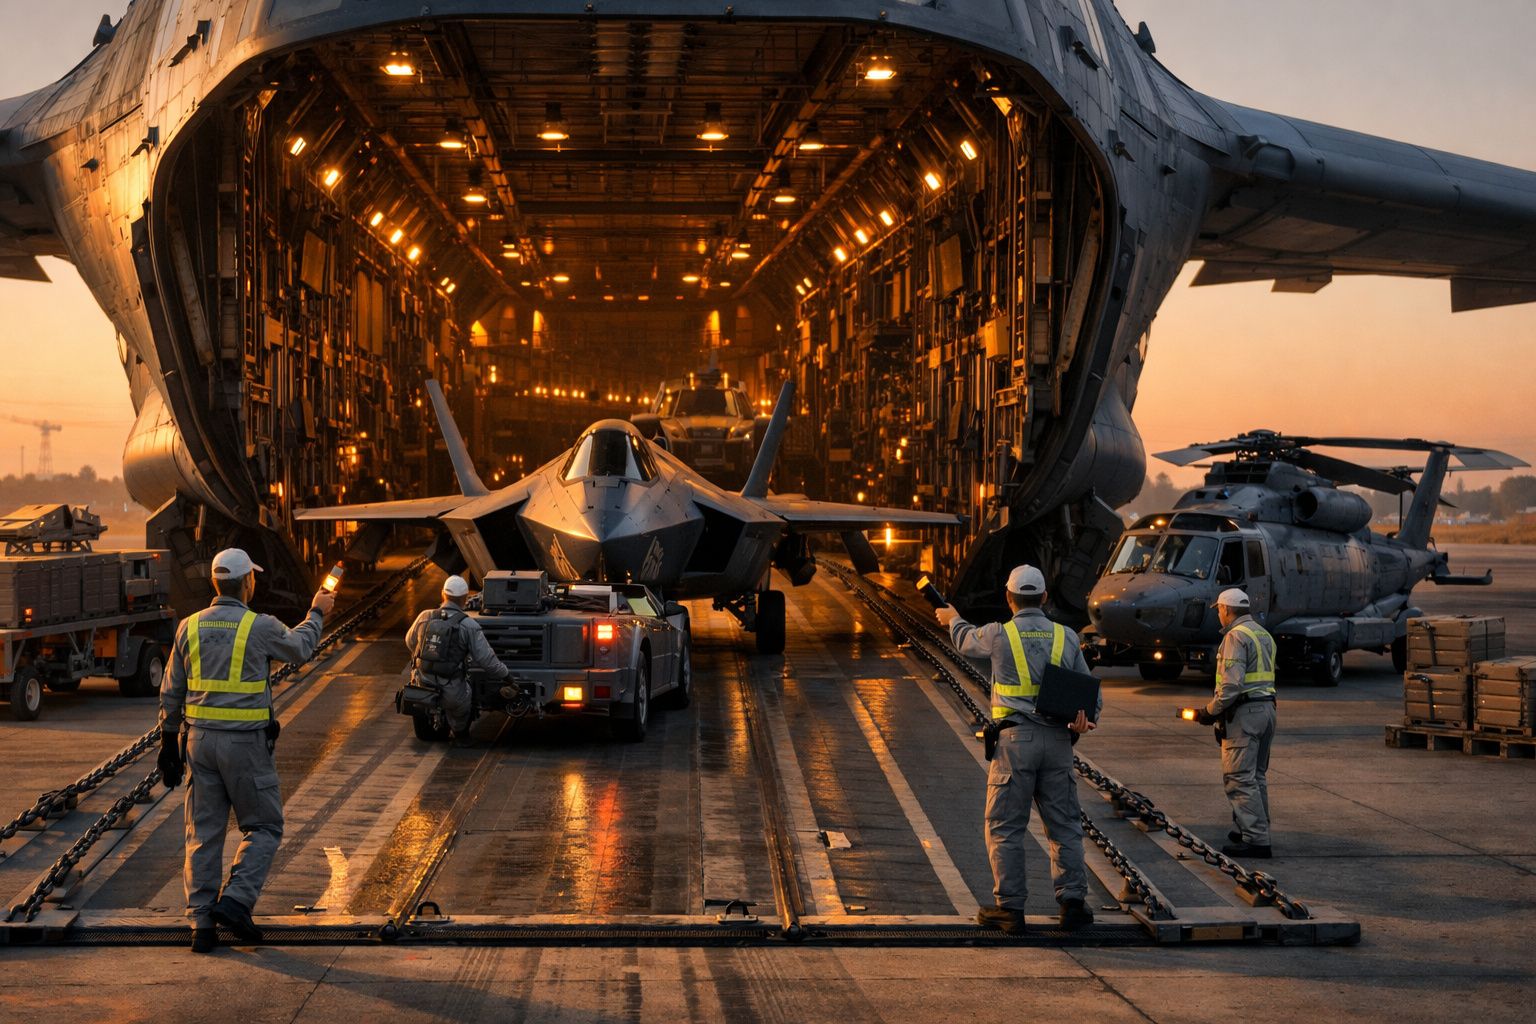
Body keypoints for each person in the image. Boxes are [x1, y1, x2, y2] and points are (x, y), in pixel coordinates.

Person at [156, 548, 334, 954]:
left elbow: (171, 691)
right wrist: (318, 612)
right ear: (248, 583)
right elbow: (301, 648)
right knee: (264, 826)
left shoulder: (189, 627)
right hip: (245, 745)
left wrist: (169, 743)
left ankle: (202, 926)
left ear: (216, 583)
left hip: (198, 744)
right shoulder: (260, 626)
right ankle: (236, 901)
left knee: (202, 833)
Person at [937, 565, 1098, 935]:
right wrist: (1085, 720)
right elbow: (1089, 691)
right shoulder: (1066, 636)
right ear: (1044, 598)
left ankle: (1010, 909)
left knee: (1006, 827)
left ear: (1009, 598)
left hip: (1015, 744)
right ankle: (1072, 904)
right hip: (1058, 742)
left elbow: (964, 641)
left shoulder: (998, 634)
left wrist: (952, 617)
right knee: (1065, 827)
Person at [1192, 588, 1278, 859]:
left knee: (1239, 777)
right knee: (1256, 775)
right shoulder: (1262, 633)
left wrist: (1209, 712)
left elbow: (1230, 686)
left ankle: (1256, 839)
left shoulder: (1235, 636)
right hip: (1267, 710)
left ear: (1227, 610)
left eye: (1219, 609)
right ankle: (1252, 828)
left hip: (1245, 713)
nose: (1218, 614)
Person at [405, 574, 510, 745]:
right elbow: (487, 660)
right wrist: (507, 677)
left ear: (443, 594)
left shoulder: (425, 616)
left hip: (422, 685)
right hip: (451, 690)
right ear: (465, 598)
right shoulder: (468, 625)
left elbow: (409, 641)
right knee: (464, 700)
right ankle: (461, 736)